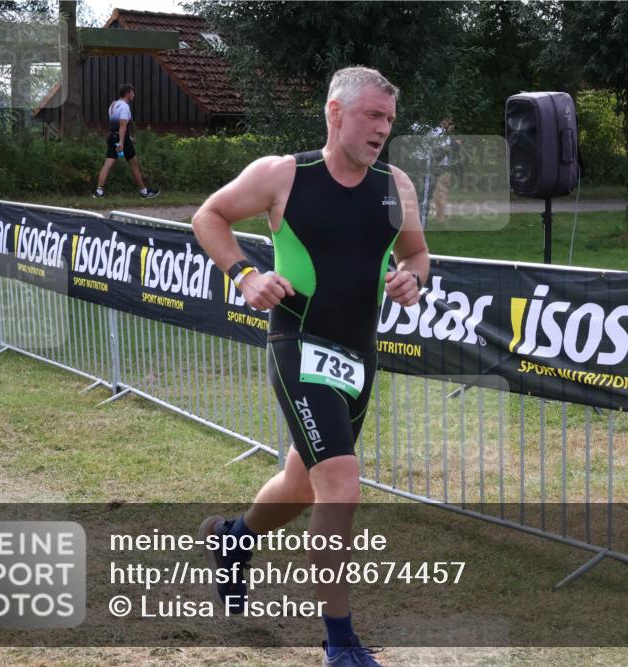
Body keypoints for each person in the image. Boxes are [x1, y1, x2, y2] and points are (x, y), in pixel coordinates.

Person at [191, 66, 428, 667]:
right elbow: (208, 217)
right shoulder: (283, 175)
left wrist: (412, 279)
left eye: (389, 119)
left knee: (303, 485)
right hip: (298, 343)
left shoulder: (395, 184)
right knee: (341, 482)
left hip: (359, 355)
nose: (383, 129)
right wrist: (245, 275)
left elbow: (418, 254)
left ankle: (234, 539)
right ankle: (340, 643)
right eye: (372, 115)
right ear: (335, 113)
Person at [93, 84, 159, 199]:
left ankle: (99, 192)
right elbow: (122, 125)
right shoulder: (124, 107)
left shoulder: (113, 105)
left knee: (107, 164)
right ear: (128, 93)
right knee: (133, 164)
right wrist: (122, 142)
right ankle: (144, 192)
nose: (134, 95)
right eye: (133, 93)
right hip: (121, 138)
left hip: (112, 136)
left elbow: (114, 124)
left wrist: (128, 138)